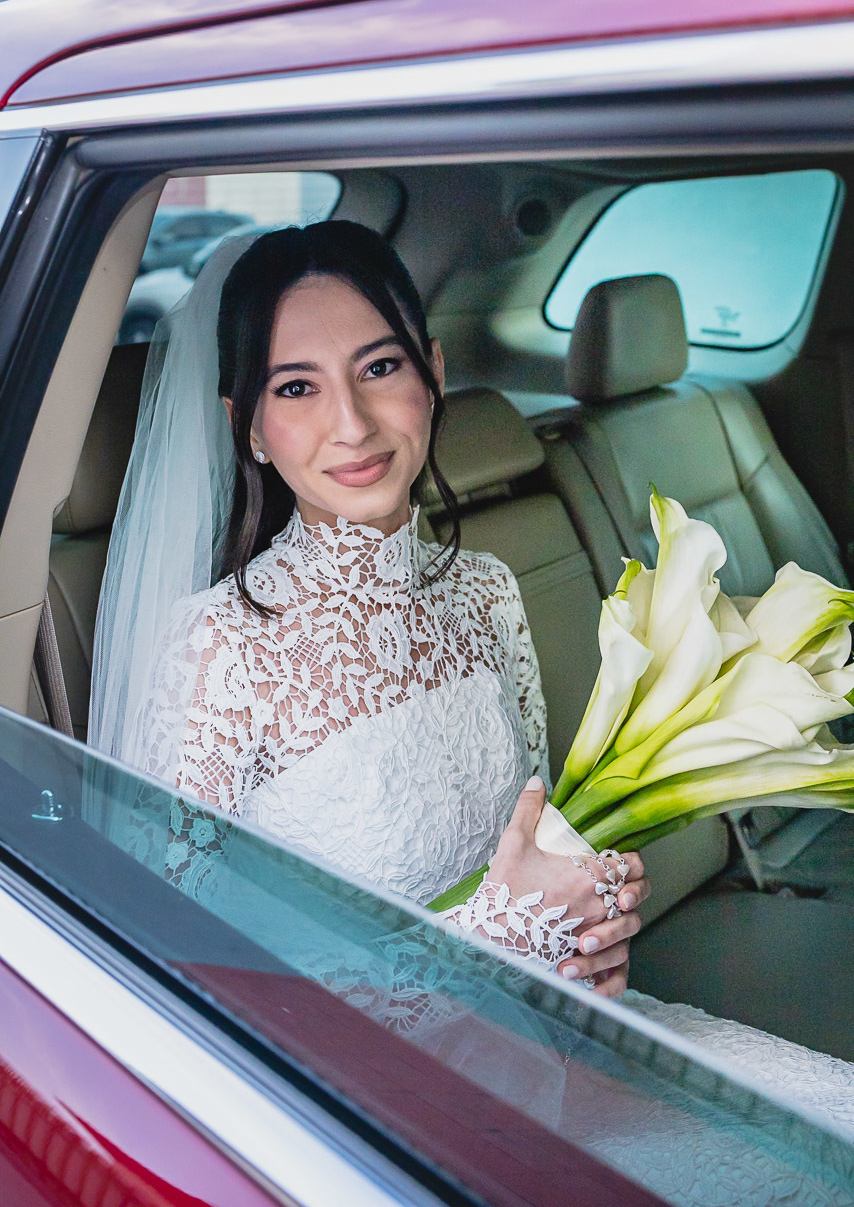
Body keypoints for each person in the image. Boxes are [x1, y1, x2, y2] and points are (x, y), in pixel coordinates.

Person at [90, 222, 854, 1203]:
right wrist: (497, 931)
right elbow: (185, 989)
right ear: (247, 425)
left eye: (378, 366)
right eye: (296, 387)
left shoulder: (484, 590)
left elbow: (526, 834)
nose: (353, 425)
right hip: (366, 1121)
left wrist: (588, 919)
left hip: (557, 1039)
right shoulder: (213, 648)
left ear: (433, 370)